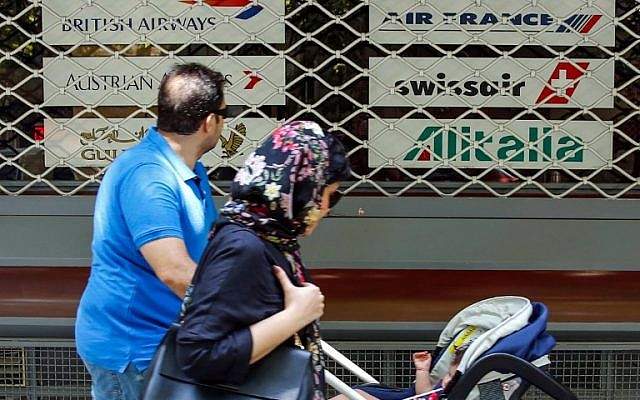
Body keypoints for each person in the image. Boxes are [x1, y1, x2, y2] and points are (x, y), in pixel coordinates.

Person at [75, 63, 227, 400]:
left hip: (165, 342)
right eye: (224, 114)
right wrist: (244, 311)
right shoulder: (149, 175)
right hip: (133, 348)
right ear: (208, 123)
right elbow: (174, 272)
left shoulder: (188, 169)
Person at [175, 121, 351, 400]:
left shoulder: (268, 236)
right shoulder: (244, 246)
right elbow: (198, 355)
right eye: (330, 195)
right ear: (303, 186)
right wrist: (295, 316)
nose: (327, 208)